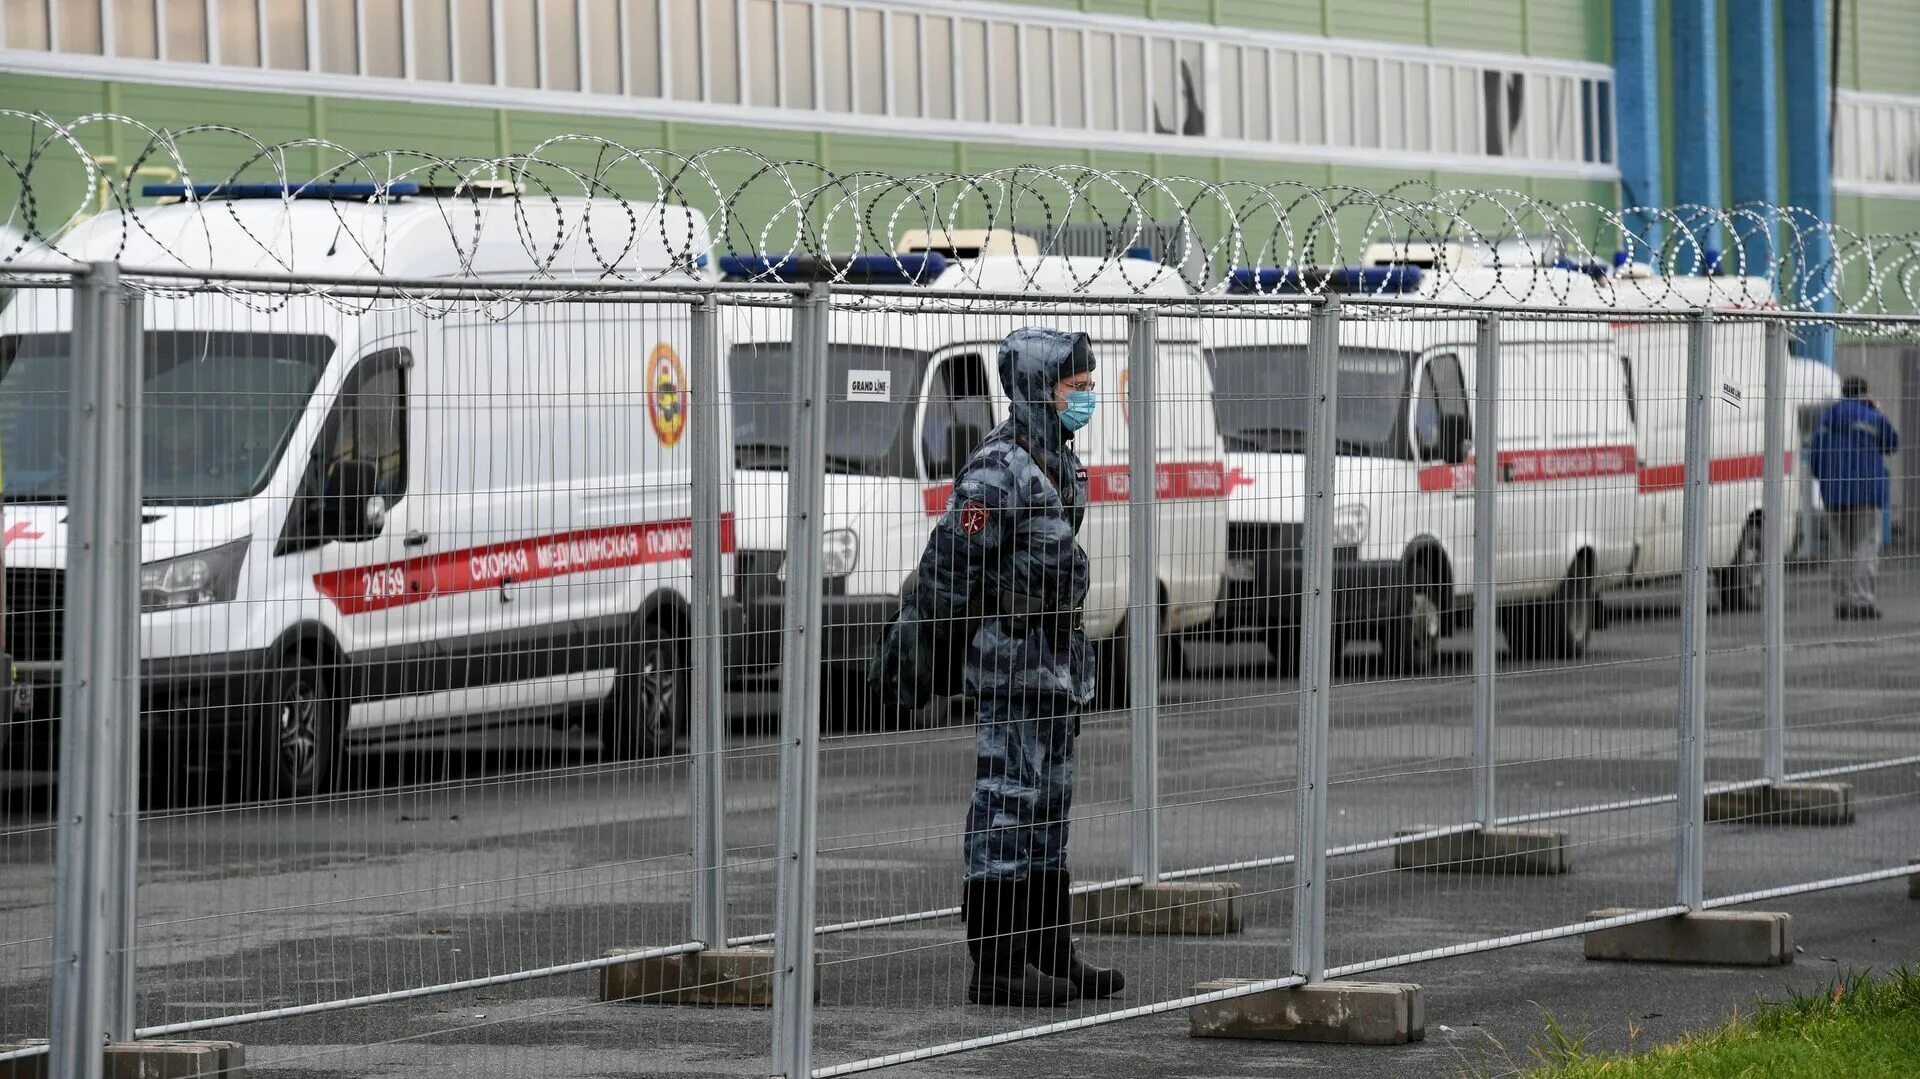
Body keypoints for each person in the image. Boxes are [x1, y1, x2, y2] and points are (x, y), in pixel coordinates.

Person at [870, 327, 1124, 1007]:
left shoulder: (1058, 461)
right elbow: (950, 564)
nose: (1087, 396)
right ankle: (998, 962)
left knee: (1049, 807)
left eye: (1087, 384)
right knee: (1007, 805)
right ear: (1041, 388)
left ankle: (1050, 950)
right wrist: (917, 645)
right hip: (1012, 660)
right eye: (1077, 386)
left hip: (1060, 662)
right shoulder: (998, 468)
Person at [1808, 375, 1899, 620]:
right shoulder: (1872, 416)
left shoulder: (1827, 417)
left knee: (1840, 549)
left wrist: (1827, 480)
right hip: (1866, 494)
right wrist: (1877, 409)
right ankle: (1862, 601)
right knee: (1864, 548)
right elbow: (1892, 443)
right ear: (1864, 393)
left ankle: (1843, 602)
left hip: (1834, 494)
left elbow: (1814, 455)